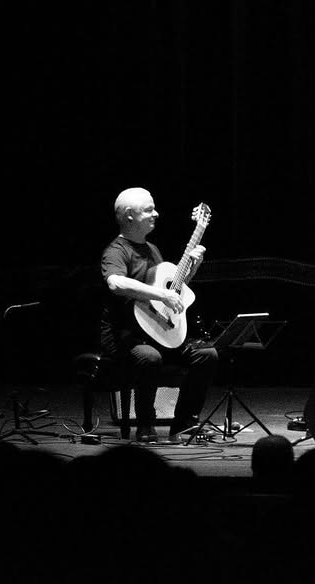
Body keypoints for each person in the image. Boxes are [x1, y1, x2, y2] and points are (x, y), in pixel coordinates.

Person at [99, 187, 218, 443]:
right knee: (149, 357)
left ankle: (184, 423)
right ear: (129, 215)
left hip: (156, 329)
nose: (156, 214)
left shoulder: (152, 249)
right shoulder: (116, 251)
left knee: (207, 354)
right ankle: (145, 423)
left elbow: (174, 290)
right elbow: (116, 283)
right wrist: (162, 295)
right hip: (126, 336)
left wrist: (193, 266)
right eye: (148, 210)